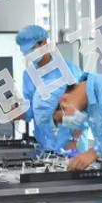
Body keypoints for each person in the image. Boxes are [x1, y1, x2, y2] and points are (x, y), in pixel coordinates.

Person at [15, 25, 87, 153]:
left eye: (31, 50)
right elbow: (31, 108)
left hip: (71, 146)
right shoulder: (29, 75)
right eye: (25, 53)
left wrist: (74, 140)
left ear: (44, 43)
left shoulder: (68, 70)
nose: (29, 55)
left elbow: (82, 109)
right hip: (45, 146)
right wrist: (20, 113)